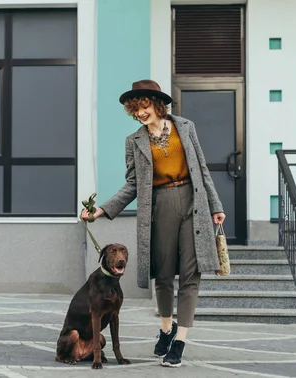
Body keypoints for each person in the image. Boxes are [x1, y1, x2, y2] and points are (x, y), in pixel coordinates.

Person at [81, 79, 225, 368]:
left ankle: (180, 341)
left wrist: (215, 206)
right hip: (159, 207)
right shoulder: (134, 141)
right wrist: (101, 211)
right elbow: (132, 185)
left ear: (156, 103)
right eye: (135, 110)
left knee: (190, 275)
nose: (139, 113)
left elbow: (202, 169)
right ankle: (165, 329)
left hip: (193, 204)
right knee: (163, 274)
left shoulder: (186, 127)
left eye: (143, 106)